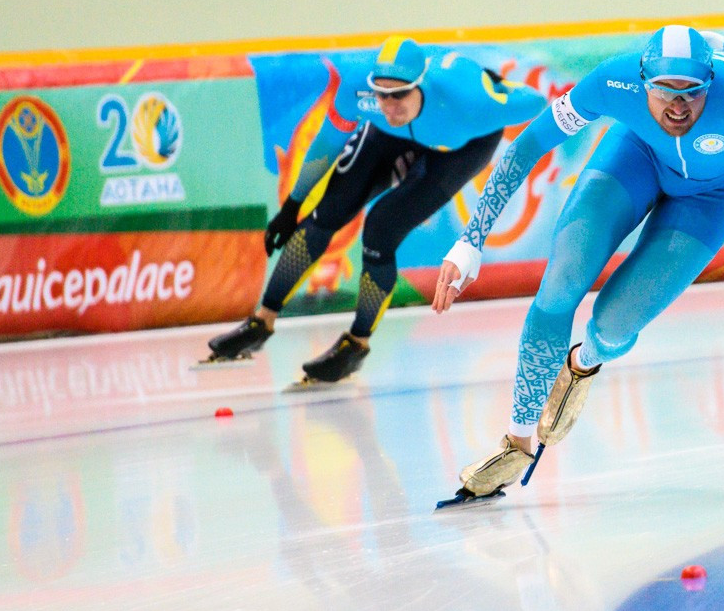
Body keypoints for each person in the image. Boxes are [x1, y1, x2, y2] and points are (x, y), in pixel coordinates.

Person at [431, 25, 724, 506]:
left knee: (615, 324)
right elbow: (527, 146)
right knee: (561, 282)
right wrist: (470, 241)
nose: (678, 108)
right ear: (643, 80)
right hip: (635, 157)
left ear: (711, 81)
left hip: (716, 193)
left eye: (692, 94)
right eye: (665, 93)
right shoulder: (613, 79)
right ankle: (516, 442)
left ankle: (583, 364)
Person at [204, 37, 546, 384]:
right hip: (389, 135)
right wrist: (293, 204)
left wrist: (495, 84)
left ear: (420, 85)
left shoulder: (469, 100)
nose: (390, 104)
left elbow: (537, 101)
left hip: (459, 146)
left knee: (381, 229)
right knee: (327, 211)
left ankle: (356, 345)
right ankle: (262, 320)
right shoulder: (359, 89)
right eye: (382, 95)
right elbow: (326, 146)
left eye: (399, 95)